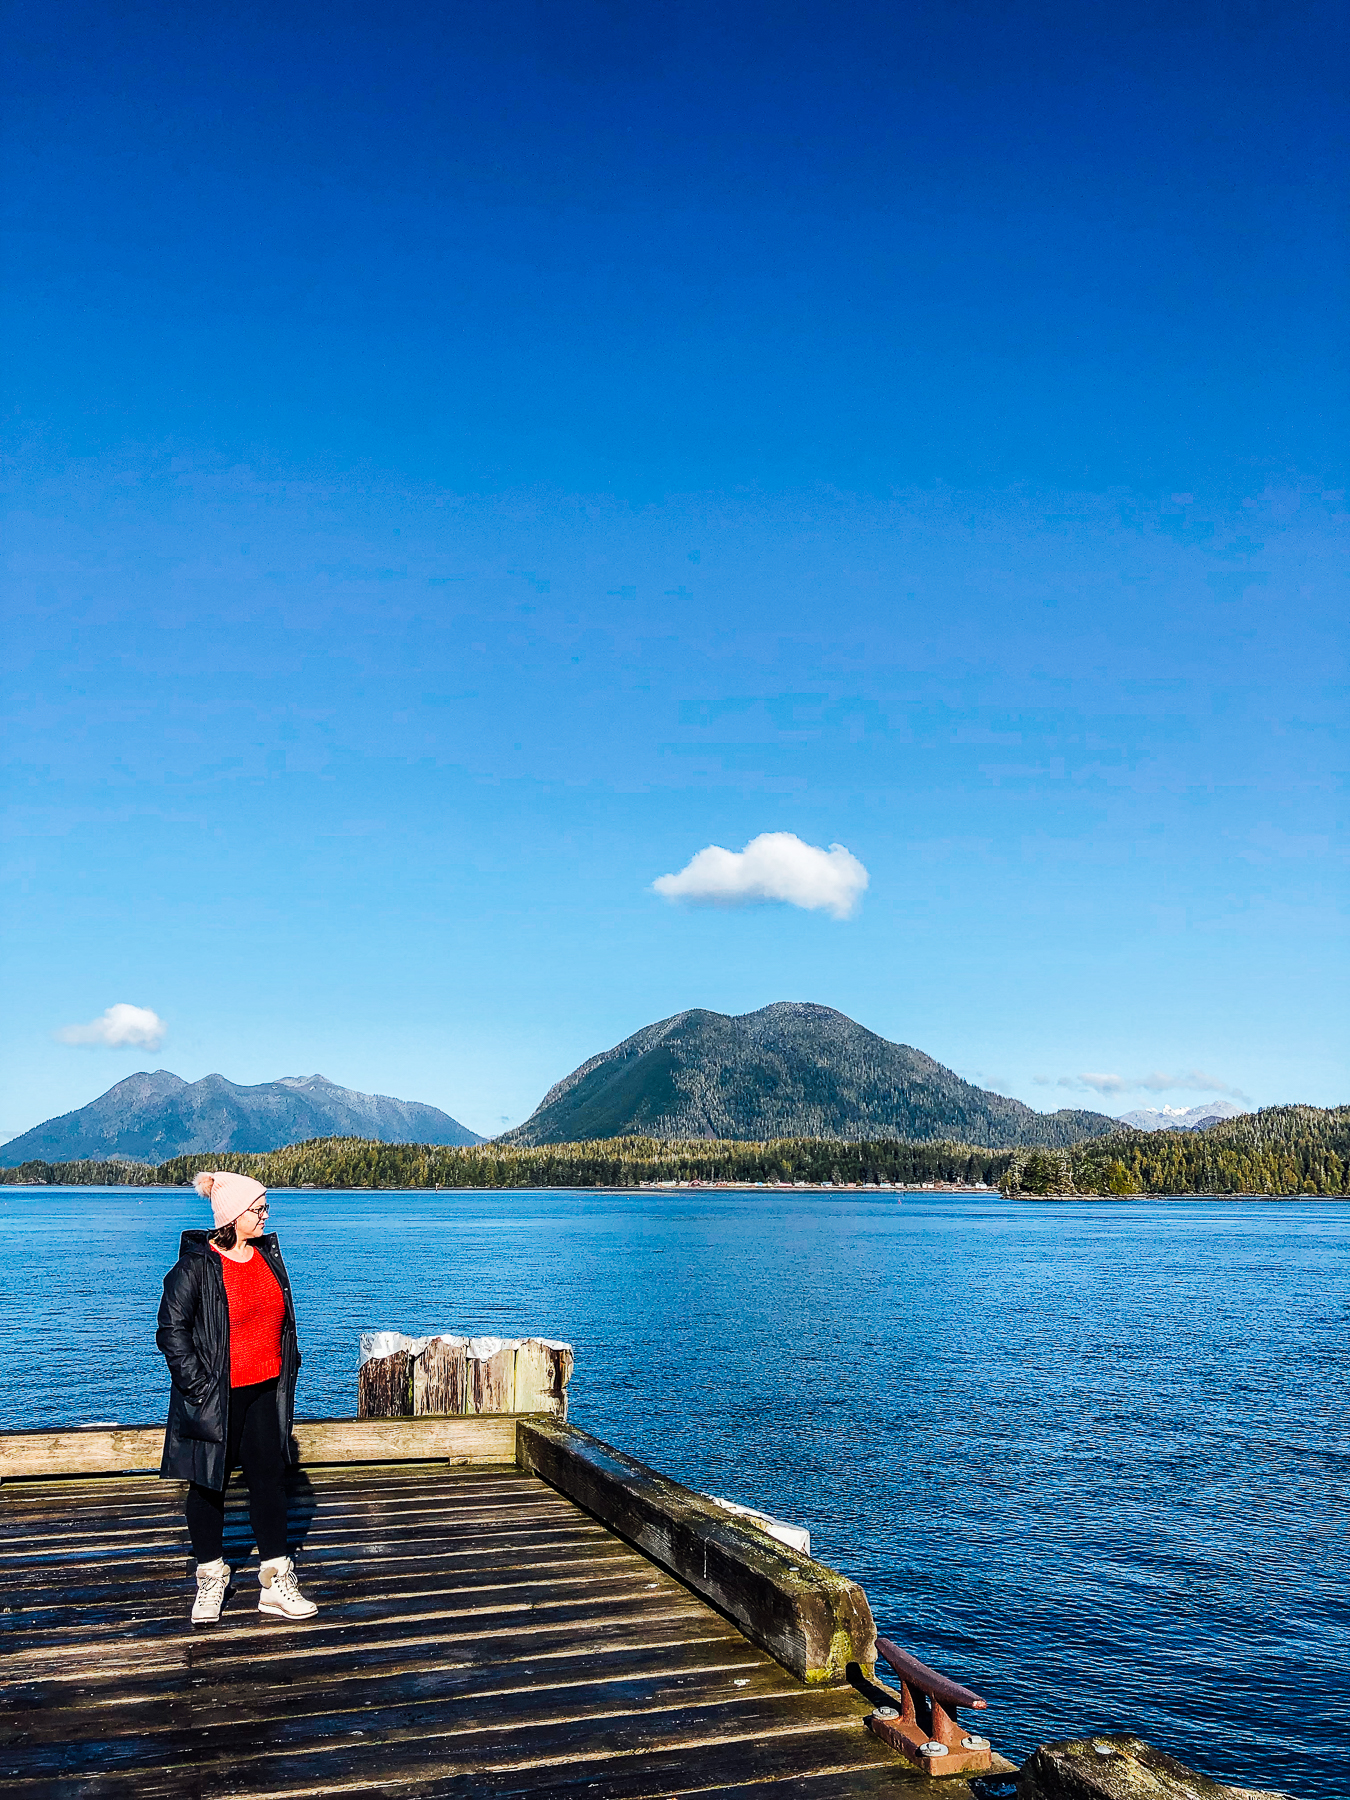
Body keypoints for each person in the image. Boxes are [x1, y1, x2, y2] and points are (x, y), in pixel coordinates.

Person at [155, 1170, 318, 1624]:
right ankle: (211, 1579)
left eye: (265, 1207)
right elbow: (171, 1331)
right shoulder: (196, 1265)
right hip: (214, 1397)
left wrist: (290, 1366)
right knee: (208, 1487)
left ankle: (276, 1582)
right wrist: (199, 1387)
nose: (266, 1214)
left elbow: (281, 1323)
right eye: (258, 1208)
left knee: (270, 1484)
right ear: (232, 1216)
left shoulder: (267, 1256)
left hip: (266, 1391)